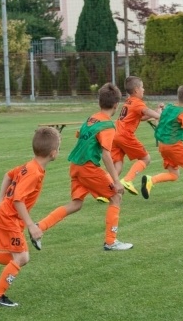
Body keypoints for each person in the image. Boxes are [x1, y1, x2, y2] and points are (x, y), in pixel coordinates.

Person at [0, 127, 61, 307]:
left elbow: (8, 175)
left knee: (20, 257)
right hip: (8, 218)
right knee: (21, 258)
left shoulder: (30, 166)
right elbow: (18, 199)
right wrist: (31, 225)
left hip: (8, 216)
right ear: (53, 153)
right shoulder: (34, 172)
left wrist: (1, 200)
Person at [33, 82, 133, 251]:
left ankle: (39, 227)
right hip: (87, 167)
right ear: (116, 105)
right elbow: (106, 154)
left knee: (76, 204)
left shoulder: (91, 118)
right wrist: (116, 181)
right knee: (116, 196)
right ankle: (111, 241)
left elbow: (80, 134)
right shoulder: (108, 125)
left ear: (99, 102)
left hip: (75, 166)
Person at [113, 76, 164, 196]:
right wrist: (161, 116)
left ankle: (105, 190)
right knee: (146, 158)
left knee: (118, 164)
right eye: (142, 87)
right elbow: (146, 111)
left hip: (115, 135)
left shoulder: (129, 101)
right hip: (125, 135)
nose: (144, 89)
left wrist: (156, 112)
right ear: (136, 90)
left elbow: (141, 117)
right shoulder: (137, 102)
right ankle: (127, 180)